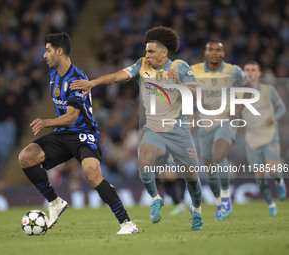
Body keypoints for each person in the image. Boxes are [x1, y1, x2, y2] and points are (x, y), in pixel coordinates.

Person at [71, 26, 203, 231]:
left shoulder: (179, 66)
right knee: (144, 161)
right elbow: (116, 76)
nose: (146, 55)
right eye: (146, 51)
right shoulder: (142, 65)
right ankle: (156, 199)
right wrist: (93, 82)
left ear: (164, 52)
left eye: (150, 51)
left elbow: (194, 92)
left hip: (178, 129)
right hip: (153, 128)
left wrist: (178, 83)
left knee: (192, 178)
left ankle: (196, 213)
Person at [18, 32, 138, 234]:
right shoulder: (54, 75)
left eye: (48, 51)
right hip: (63, 134)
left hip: (83, 133)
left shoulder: (77, 79)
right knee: (26, 157)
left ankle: (127, 223)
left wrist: (46, 121)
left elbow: (72, 117)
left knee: (92, 173)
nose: (45, 55)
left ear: (59, 51)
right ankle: (55, 202)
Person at [191, 40, 250, 221]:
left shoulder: (233, 71)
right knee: (209, 169)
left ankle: (225, 197)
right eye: (210, 50)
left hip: (227, 121)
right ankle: (218, 203)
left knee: (218, 156)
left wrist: (239, 108)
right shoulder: (194, 70)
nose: (214, 53)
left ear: (223, 54)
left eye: (218, 50)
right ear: (205, 53)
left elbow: (249, 86)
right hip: (205, 124)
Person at [241, 60, 287, 216]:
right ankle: (271, 205)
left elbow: (281, 107)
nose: (250, 73)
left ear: (259, 73)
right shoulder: (239, 94)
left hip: (269, 135)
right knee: (259, 176)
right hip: (252, 139)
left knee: (273, 168)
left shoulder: (269, 90)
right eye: (247, 70)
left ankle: (280, 181)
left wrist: (275, 116)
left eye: (253, 70)